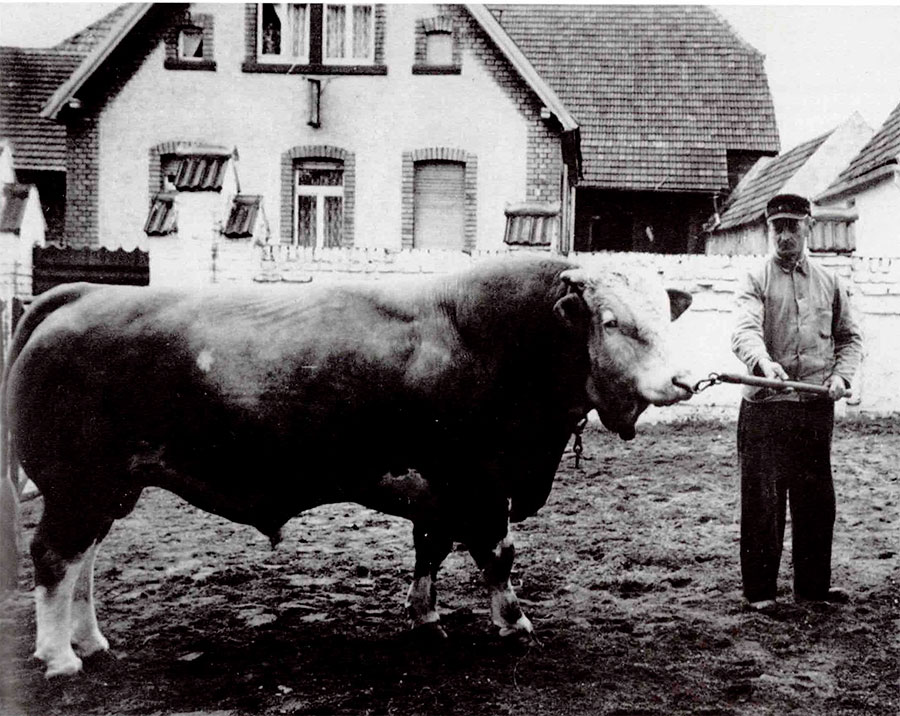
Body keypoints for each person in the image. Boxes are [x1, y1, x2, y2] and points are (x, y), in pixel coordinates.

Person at [731, 193, 863, 612]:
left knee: (816, 499)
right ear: (769, 231)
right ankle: (761, 593)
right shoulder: (755, 279)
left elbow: (849, 338)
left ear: (809, 226)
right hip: (766, 406)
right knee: (763, 501)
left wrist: (842, 376)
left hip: (814, 408)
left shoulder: (831, 282)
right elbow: (743, 331)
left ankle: (812, 588)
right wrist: (762, 363)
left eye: (792, 226)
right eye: (777, 228)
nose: (784, 236)